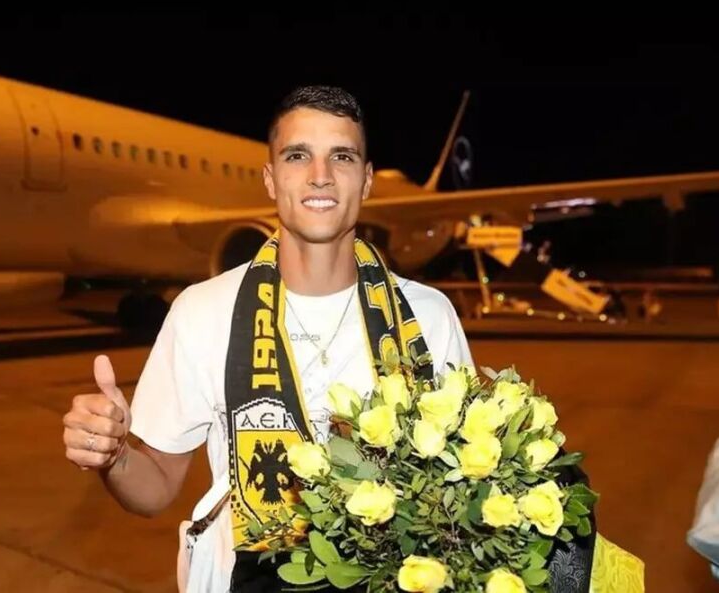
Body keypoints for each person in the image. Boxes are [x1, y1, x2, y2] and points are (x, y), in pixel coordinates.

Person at [61, 86, 474, 592]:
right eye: (298, 156)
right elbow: (155, 490)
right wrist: (116, 456)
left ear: (367, 181)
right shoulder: (203, 312)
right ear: (270, 179)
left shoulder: (428, 317)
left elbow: (461, 491)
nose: (320, 175)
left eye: (341, 157)